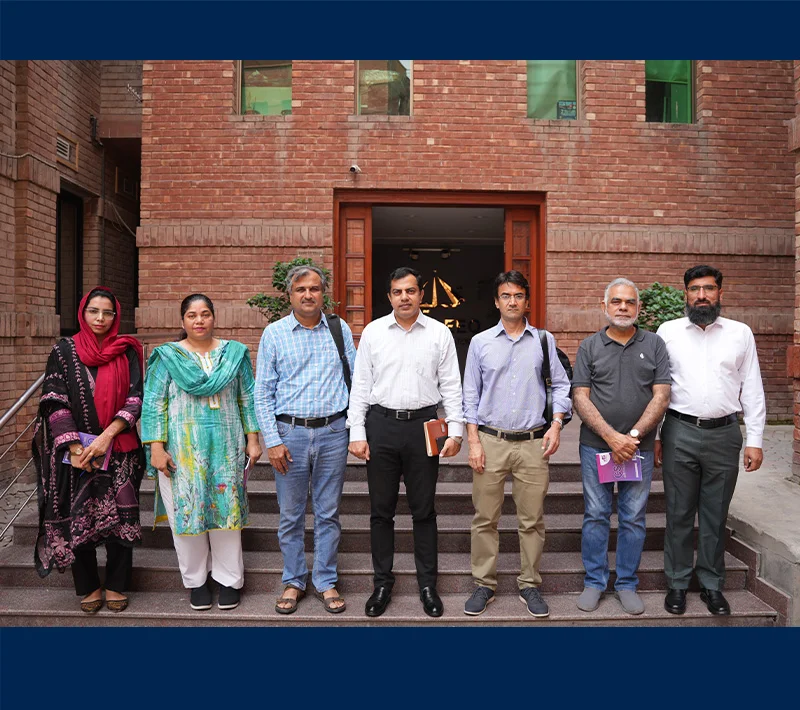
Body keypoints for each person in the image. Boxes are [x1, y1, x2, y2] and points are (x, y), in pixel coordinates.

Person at [348, 267, 464, 618]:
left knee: (424, 510)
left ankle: (428, 585)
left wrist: (456, 430)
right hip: (381, 426)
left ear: (420, 295)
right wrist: (357, 432)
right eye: (397, 292)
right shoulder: (373, 332)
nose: (404, 297)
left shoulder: (439, 333)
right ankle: (382, 584)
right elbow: (361, 385)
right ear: (389, 296)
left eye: (410, 291)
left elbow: (451, 385)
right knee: (381, 512)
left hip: (424, 427)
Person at [141, 294, 261, 612]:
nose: (199, 320)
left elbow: (247, 398)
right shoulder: (167, 356)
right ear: (182, 320)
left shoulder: (234, 354)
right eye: (192, 315)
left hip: (227, 447)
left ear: (214, 318)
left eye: (205, 314)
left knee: (227, 514)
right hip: (180, 451)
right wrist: (156, 448)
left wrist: (253, 439)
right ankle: (196, 581)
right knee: (187, 513)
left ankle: (229, 580)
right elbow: (153, 404)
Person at [656, 265, 765, 616]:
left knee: (715, 514)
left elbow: (752, 387)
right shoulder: (668, 332)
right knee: (678, 511)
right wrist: (656, 434)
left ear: (720, 293)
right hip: (679, 430)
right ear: (685, 294)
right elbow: (658, 388)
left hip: (725, 434)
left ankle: (712, 584)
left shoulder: (740, 333)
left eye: (708, 288)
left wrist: (755, 439)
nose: (701, 295)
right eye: (694, 289)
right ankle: (676, 582)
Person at [461, 270, 571, 618]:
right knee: (484, 518)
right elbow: (470, 395)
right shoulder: (480, 343)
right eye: (506, 296)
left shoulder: (543, 341)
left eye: (518, 296)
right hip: (490, 440)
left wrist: (556, 425)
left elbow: (561, 385)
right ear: (497, 302)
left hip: (533, 443)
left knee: (532, 519)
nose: (512, 302)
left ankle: (529, 584)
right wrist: (473, 441)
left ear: (527, 301)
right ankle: (484, 584)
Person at [33, 286, 145, 614]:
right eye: (94, 311)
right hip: (75, 455)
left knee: (122, 515)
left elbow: (136, 398)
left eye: (108, 312)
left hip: (119, 447)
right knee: (79, 515)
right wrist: (74, 445)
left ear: (116, 316)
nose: (100, 318)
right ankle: (88, 585)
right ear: (83, 313)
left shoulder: (126, 350)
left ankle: (116, 584)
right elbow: (54, 398)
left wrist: (106, 437)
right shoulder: (63, 351)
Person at [254, 265, 356, 615]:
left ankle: (326, 580)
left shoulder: (339, 329)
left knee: (328, 512)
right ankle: (294, 580)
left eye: (314, 288)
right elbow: (262, 393)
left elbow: (357, 380)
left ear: (323, 293)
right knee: (290, 515)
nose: (308, 295)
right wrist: (272, 440)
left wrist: (356, 429)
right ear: (290, 295)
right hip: (290, 435)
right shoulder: (274, 333)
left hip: (333, 433)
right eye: (301, 289)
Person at [571, 278, 671, 615]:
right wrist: (613, 438)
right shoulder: (589, 346)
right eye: (616, 301)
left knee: (633, 517)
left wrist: (633, 436)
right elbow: (580, 397)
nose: (623, 307)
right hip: (596, 447)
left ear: (638, 307)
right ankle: (594, 582)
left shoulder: (654, 344)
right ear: (605, 306)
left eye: (629, 302)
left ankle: (627, 583)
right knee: (596, 515)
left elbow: (662, 395)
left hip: (638, 448)